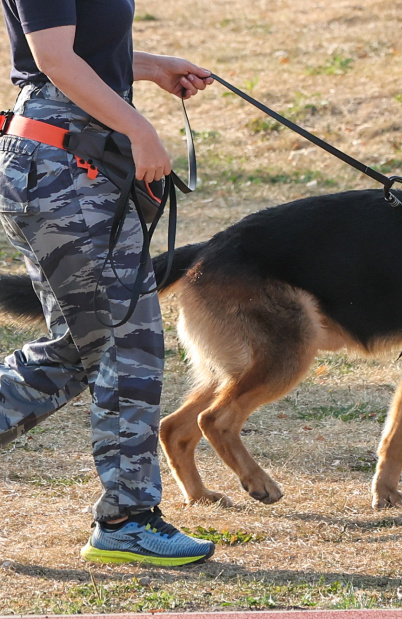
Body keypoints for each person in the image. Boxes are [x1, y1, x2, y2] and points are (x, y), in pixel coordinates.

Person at [0, 0, 216, 566]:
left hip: (75, 154)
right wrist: (139, 128)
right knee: (127, 343)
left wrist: (150, 66)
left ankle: (128, 516)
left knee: (82, 346)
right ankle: (126, 519)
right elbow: (52, 59)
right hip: (63, 158)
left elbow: (79, 47)